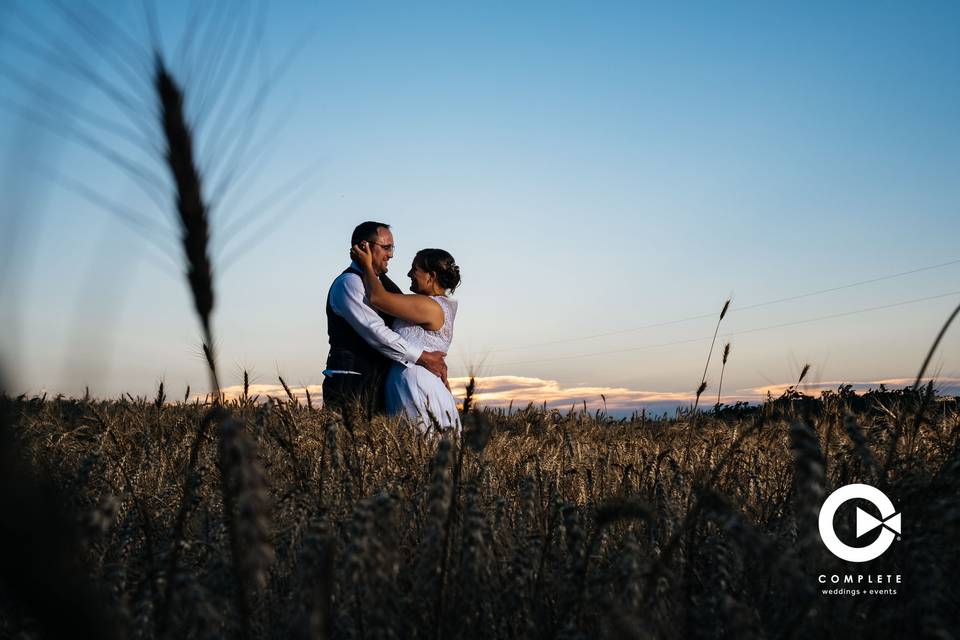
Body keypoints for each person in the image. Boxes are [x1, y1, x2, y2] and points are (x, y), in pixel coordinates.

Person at [322, 221, 447, 420]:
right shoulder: (350, 283)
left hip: (376, 382)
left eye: (392, 248)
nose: (391, 254)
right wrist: (422, 357)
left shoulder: (381, 284)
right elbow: (376, 333)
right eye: (386, 247)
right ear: (364, 247)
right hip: (352, 380)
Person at [350, 241, 461, 432]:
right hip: (410, 386)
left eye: (414, 269)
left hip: (418, 388)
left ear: (431, 276)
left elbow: (378, 298)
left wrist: (367, 265)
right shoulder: (431, 304)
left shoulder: (430, 306)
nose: (409, 274)